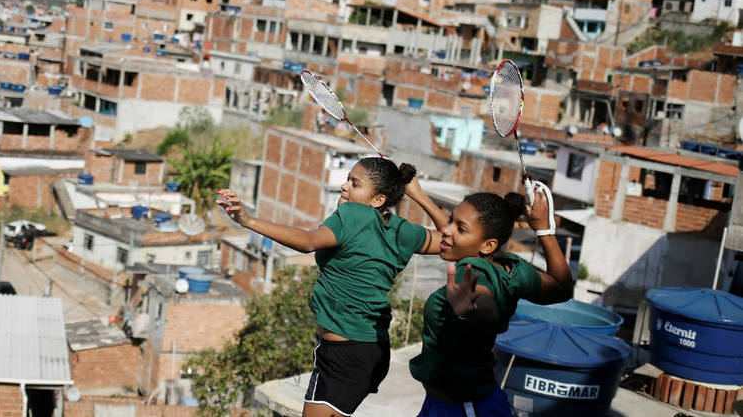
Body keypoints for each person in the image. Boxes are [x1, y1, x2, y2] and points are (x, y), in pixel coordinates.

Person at [217, 157, 442, 417]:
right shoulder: (401, 229)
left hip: (342, 355)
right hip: (370, 350)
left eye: (355, 184)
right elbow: (451, 240)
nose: (344, 187)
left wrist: (248, 220)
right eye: (347, 179)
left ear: (377, 200)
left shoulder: (354, 214)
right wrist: (418, 195)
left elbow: (309, 241)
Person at [404, 180, 574, 417]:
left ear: (488, 245)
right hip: (454, 403)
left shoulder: (472, 271)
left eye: (460, 228)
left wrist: (471, 310)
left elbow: (484, 304)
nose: (447, 229)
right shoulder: (512, 268)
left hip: (463, 409)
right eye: (451, 220)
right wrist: (544, 230)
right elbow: (562, 288)